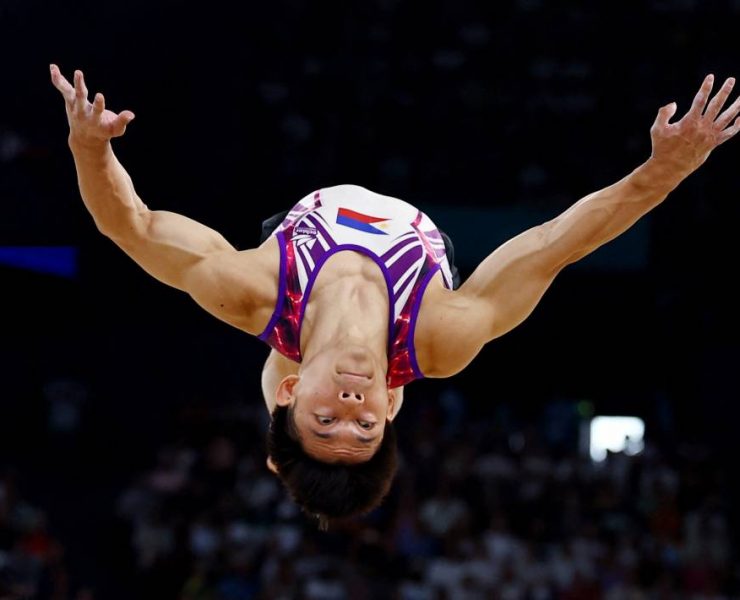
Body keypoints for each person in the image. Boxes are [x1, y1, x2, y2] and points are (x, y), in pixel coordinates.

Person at [50, 64, 740, 526]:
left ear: (292, 396)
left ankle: (285, 445)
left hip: (297, 252)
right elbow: (563, 241)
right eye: (365, 426)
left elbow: (132, 227)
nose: (349, 411)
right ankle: (300, 450)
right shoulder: (444, 334)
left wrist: (89, 148)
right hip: (409, 276)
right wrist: (663, 170)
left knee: (277, 358)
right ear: (387, 411)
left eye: (327, 424)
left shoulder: (251, 293)